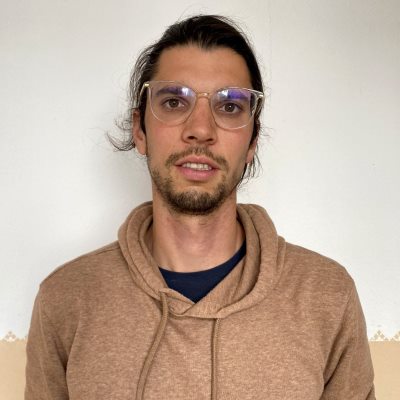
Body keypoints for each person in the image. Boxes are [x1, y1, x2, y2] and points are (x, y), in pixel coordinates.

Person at [25, 15, 375, 400]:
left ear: (252, 141)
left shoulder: (327, 296)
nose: (201, 130)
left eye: (230, 106)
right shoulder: (65, 299)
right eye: (174, 101)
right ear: (140, 130)